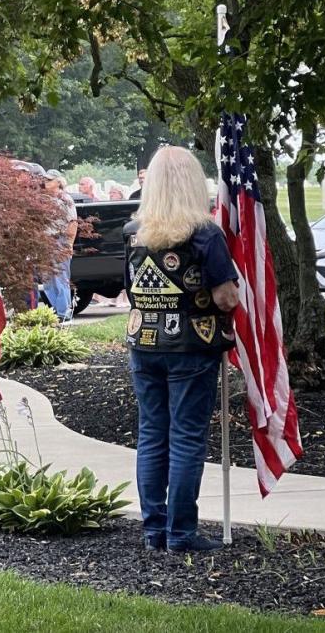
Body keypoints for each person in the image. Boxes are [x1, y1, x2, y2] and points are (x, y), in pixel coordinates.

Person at [122, 146, 239, 553]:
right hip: (193, 345)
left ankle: (154, 530)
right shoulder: (205, 234)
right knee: (187, 438)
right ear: (193, 184)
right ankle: (181, 534)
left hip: (144, 345)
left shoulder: (133, 231)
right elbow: (225, 298)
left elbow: (131, 289)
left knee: (152, 434)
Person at [41, 170, 77, 319]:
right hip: (45, 241)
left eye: (49, 180)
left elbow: (72, 223)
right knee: (47, 278)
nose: (45, 182)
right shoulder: (43, 200)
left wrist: (68, 244)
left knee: (60, 276)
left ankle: (64, 312)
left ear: (58, 182)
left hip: (59, 239)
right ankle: (55, 310)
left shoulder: (65, 199)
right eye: (45, 179)